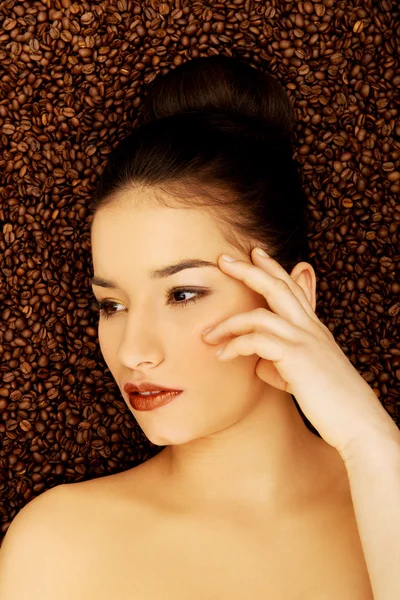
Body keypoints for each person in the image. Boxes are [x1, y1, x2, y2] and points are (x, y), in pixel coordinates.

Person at [0, 54, 374, 599]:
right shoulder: (59, 545)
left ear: (293, 295)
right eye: (112, 305)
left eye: (183, 293)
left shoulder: (381, 498)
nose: (134, 351)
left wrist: (369, 444)